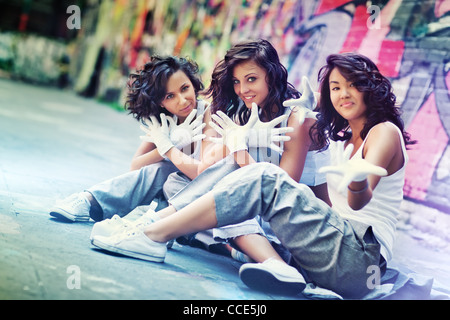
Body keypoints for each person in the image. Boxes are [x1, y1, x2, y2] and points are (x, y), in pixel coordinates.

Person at [91, 52, 414, 299]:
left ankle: (152, 236)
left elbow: (359, 200)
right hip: (328, 254)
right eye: (335, 87)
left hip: (359, 259)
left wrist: (357, 182)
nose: (343, 94)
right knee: (219, 186)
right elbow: (327, 209)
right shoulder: (344, 142)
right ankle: (149, 228)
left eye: (353, 85)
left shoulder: (383, 133)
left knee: (262, 176)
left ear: (371, 87)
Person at [91, 39, 330, 294]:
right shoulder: (249, 113)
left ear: (271, 76)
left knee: (230, 188)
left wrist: (237, 149)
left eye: (251, 79)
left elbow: (280, 188)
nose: (242, 89)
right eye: (237, 82)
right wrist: (173, 144)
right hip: (261, 219)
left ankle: (154, 228)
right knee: (181, 181)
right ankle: (158, 227)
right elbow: (207, 168)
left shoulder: (297, 117)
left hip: (293, 225)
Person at [49, 55, 207, 223]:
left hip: (201, 194)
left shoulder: (208, 114)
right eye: (170, 96)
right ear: (161, 102)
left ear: (193, 84)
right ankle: (89, 200)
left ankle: (95, 202)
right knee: (159, 170)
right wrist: (166, 146)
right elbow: (136, 166)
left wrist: (169, 149)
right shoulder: (164, 120)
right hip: (176, 194)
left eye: (184, 88)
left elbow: (204, 175)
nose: (182, 100)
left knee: (163, 172)